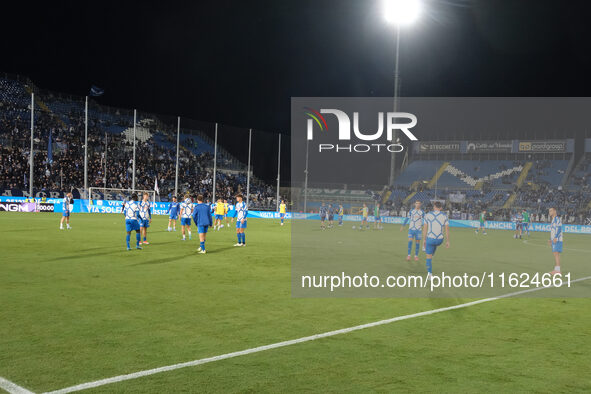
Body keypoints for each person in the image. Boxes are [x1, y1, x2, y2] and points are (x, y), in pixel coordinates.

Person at [421, 201, 450, 279]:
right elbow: (447, 230)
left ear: (434, 207)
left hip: (430, 239)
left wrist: (424, 240)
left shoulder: (427, 215)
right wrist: (447, 241)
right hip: (440, 240)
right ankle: (432, 253)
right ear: (441, 208)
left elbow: (425, 228)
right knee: (434, 245)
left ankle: (429, 274)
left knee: (428, 256)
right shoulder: (445, 216)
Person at [548, 207, 563, 275]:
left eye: (551, 211)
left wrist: (555, 238)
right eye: (549, 211)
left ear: (555, 211)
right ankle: (557, 269)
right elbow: (553, 231)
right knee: (555, 254)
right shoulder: (553, 219)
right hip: (554, 239)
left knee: (556, 254)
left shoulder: (557, 219)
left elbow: (559, 228)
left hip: (557, 240)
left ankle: (558, 271)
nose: (550, 212)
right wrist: (550, 239)